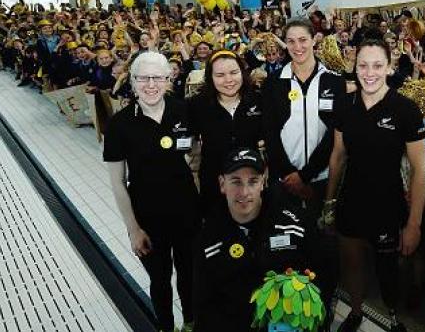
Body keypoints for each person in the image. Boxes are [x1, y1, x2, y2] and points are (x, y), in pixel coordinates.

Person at [326, 39, 425, 332]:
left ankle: (393, 317)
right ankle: (355, 313)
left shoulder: (405, 109)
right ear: (354, 67)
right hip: (351, 202)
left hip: (388, 205)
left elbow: (420, 171)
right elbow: (338, 156)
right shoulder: (345, 104)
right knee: (352, 264)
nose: (370, 72)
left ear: (389, 67)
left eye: (377, 65)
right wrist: (329, 203)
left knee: (388, 271)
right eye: (363, 65)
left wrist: (414, 224)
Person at [104, 52, 198, 332]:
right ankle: (165, 327)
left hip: (187, 212)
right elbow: (118, 182)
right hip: (148, 217)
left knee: (189, 276)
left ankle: (191, 323)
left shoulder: (184, 111)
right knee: (159, 280)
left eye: (158, 77)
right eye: (143, 78)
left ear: (169, 80)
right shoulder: (119, 124)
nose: (151, 84)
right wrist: (133, 229)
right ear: (131, 81)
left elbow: (197, 154)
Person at [192, 148, 322, 331]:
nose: (245, 192)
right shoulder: (207, 240)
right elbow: (202, 306)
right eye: (236, 182)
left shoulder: (296, 225)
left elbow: (319, 279)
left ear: (263, 181)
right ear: (222, 184)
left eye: (252, 181)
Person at [262, 19, 346, 212]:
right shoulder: (273, 83)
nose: (297, 47)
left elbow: (334, 134)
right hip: (284, 179)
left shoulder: (334, 82)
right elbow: (269, 132)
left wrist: (306, 175)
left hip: (322, 178)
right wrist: (289, 174)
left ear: (314, 40)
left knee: (321, 238)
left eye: (303, 40)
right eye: (291, 41)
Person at [188, 50, 263, 218]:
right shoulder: (197, 105)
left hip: (250, 183)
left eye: (234, 73)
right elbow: (189, 140)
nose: (228, 80)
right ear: (210, 77)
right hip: (213, 183)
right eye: (220, 75)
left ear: (242, 73)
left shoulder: (257, 100)